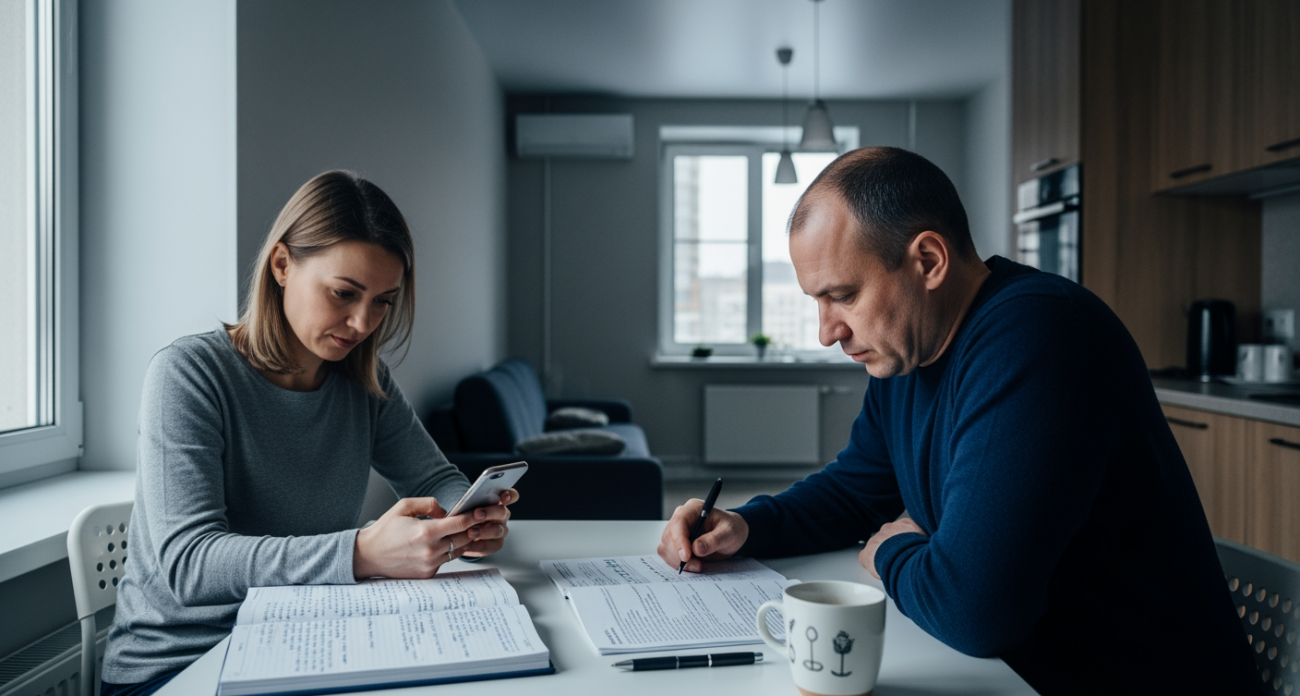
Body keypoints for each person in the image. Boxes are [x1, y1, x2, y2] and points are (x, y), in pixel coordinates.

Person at [658, 147, 1259, 693]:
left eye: (842, 295)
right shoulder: (906, 352)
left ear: (927, 259)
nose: (826, 332)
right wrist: (744, 525)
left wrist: (887, 549)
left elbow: (975, 611)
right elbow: (853, 491)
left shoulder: (1037, 338)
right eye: (817, 301)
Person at [100, 171, 515, 696]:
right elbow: (190, 564)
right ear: (281, 265)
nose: (363, 323)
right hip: (178, 668)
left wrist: (468, 520)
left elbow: (435, 476)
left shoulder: (364, 382)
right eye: (344, 293)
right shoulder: (188, 374)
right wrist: (362, 552)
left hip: (304, 642)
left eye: (383, 301)